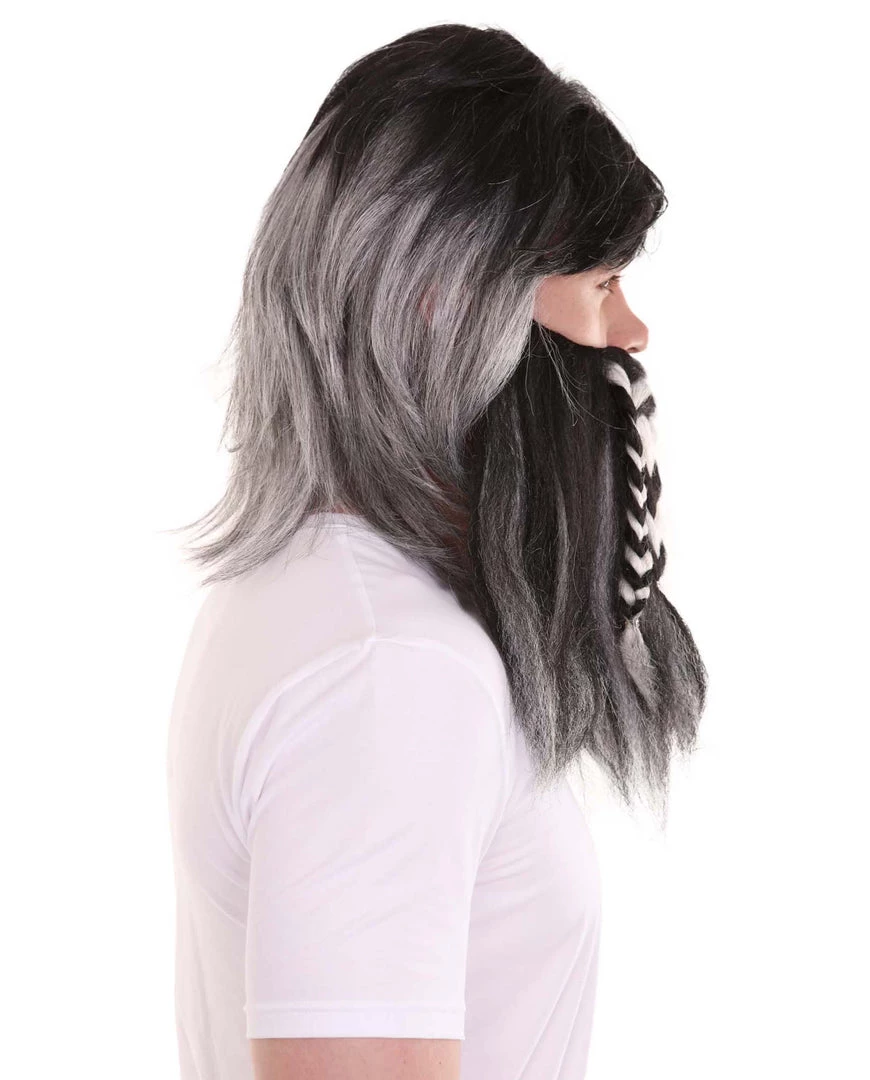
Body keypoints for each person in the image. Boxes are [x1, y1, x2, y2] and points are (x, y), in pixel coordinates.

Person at [166, 22, 707, 1080]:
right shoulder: (391, 675)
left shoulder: (309, 590)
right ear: (450, 309)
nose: (630, 333)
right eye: (599, 287)